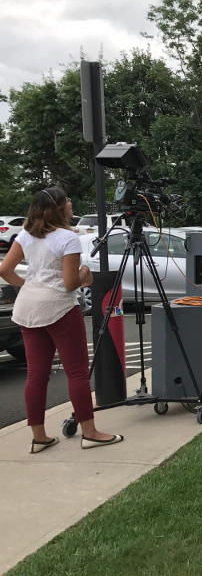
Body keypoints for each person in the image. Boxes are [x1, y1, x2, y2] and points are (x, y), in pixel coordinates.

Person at [0, 188, 124, 452]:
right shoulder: (68, 238)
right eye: (67, 200)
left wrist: (30, 287)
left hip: (28, 308)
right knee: (77, 373)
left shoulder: (25, 235)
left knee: (36, 374)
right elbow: (69, 283)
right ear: (58, 208)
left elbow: (4, 270)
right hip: (58, 308)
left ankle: (39, 437)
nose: (70, 203)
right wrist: (84, 270)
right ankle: (89, 433)